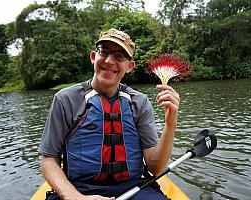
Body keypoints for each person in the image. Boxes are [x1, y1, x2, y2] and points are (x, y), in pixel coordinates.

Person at [39, 28, 180, 200]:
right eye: (104, 52)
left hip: (133, 188)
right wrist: (75, 197)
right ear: (93, 57)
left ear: (130, 66)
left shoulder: (139, 102)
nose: (109, 61)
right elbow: (48, 160)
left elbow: (155, 168)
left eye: (119, 56)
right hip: (79, 189)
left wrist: (170, 123)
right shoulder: (65, 99)